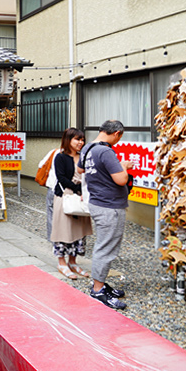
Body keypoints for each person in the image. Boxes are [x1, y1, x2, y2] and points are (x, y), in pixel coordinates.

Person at [77, 120, 134, 310]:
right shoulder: (106, 151)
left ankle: (99, 283)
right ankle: (98, 290)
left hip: (97, 202)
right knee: (106, 247)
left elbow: (80, 170)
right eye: (120, 137)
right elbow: (121, 179)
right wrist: (124, 166)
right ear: (117, 133)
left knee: (104, 245)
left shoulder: (87, 148)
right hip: (110, 206)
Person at [50, 128, 92, 280]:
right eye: (77, 139)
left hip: (81, 197)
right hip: (65, 196)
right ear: (68, 140)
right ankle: (61, 263)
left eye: (82, 139)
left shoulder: (84, 157)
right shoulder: (60, 157)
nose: (81, 142)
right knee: (63, 230)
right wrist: (78, 190)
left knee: (78, 231)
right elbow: (61, 177)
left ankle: (73, 262)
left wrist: (84, 192)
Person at [38, 145, 61, 242]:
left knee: (51, 213)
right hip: (66, 189)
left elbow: (41, 165)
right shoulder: (77, 155)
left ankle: (52, 238)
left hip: (52, 186)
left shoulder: (54, 152)